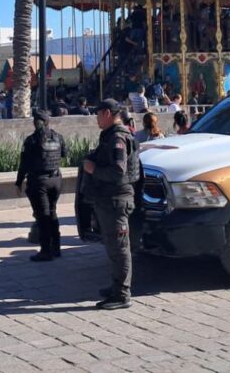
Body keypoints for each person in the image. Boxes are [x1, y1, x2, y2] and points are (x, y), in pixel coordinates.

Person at [84, 99, 139, 310]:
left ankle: (122, 294)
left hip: (116, 199)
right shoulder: (110, 135)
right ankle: (116, 286)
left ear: (107, 113)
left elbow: (118, 170)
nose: (96, 119)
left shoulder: (117, 137)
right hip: (108, 199)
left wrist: (93, 170)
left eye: (98, 114)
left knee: (120, 248)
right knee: (112, 246)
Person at [15, 110, 67, 261]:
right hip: (56, 179)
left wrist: (18, 183)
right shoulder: (58, 137)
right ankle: (56, 247)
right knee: (52, 212)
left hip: (40, 182)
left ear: (37, 122)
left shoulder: (32, 140)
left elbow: (23, 164)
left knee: (42, 216)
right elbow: (64, 153)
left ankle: (45, 251)